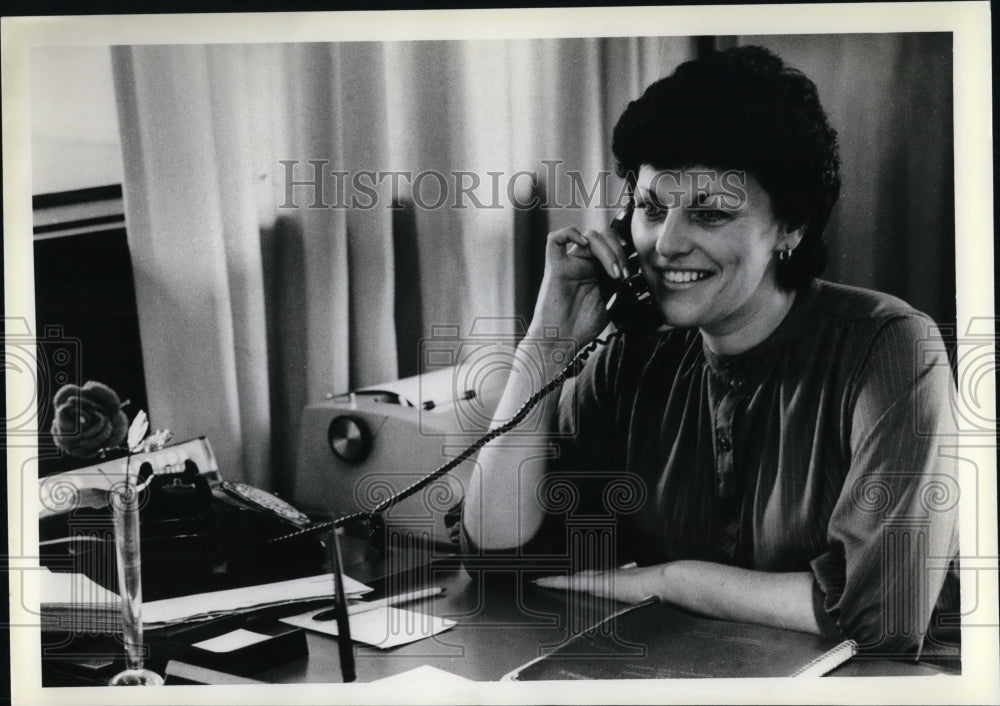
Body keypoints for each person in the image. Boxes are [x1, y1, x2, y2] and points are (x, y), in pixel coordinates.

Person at [452, 45, 959, 659]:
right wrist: (547, 341)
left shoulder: (892, 348)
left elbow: (883, 616)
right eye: (650, 207)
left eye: (710, 214)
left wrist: (669, 580)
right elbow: (502, 558)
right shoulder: (632, 358)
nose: (665, 244)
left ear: (791, 227)